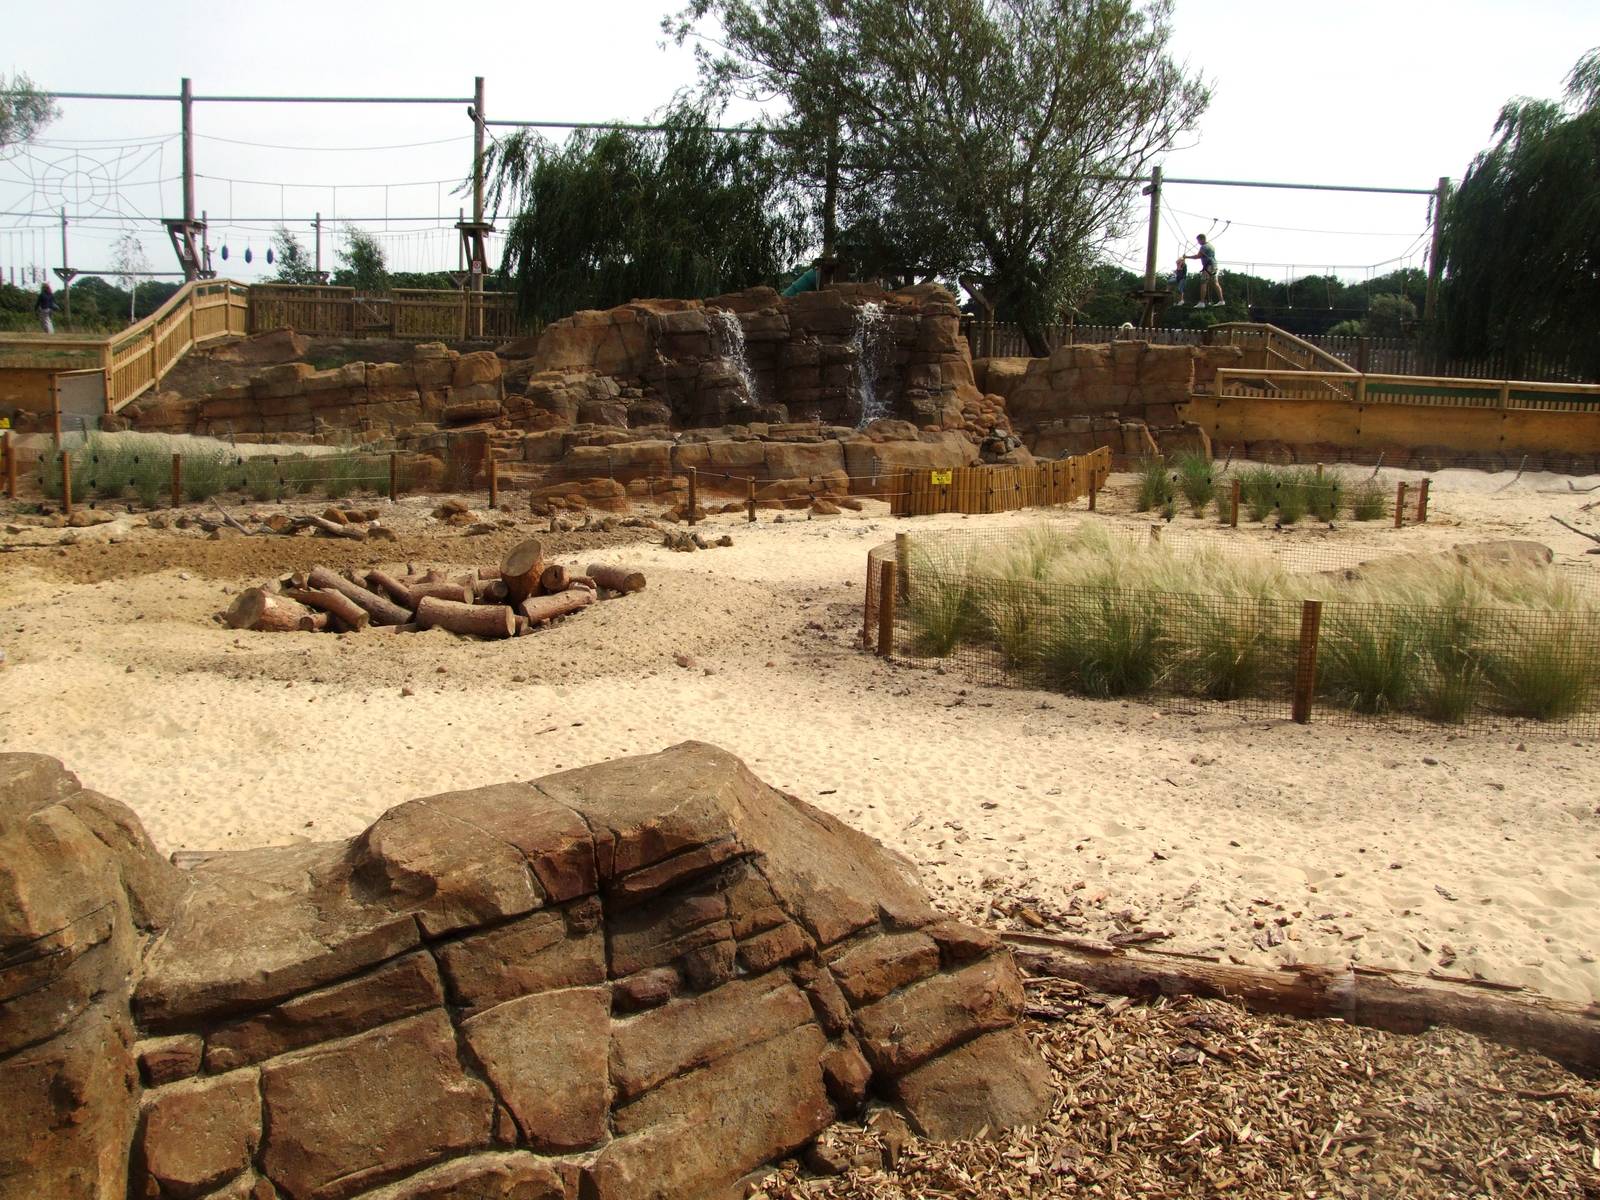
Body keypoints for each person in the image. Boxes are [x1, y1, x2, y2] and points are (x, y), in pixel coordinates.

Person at [1186, 235, 1224, 308]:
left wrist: (1186, 257)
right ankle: (1221, 300)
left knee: (1203, 283)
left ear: (1202, 239)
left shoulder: (1204, 247)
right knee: (1215, 283)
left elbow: (1197, 256)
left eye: (1199, 241)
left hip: (1208, 267)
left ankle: (1202, 302)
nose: (1198, 242)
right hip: (1214, 265)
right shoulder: (1211, 246)